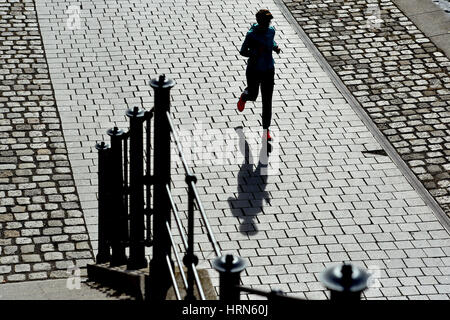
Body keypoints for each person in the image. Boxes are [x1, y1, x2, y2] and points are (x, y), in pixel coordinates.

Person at [238, 9, 281, 142]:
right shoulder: (251, 35)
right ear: (259, 21)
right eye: (266, 21)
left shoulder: (271, 30)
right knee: (253, 95)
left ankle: (266, 131)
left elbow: (271, 41)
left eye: (269, 21)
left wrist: (275, 47)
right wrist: (255, 52)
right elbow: (243, 51)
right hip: (254, 70)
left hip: (269, 70)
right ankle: (245, 96)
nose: (268, 23)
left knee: (267, 102)